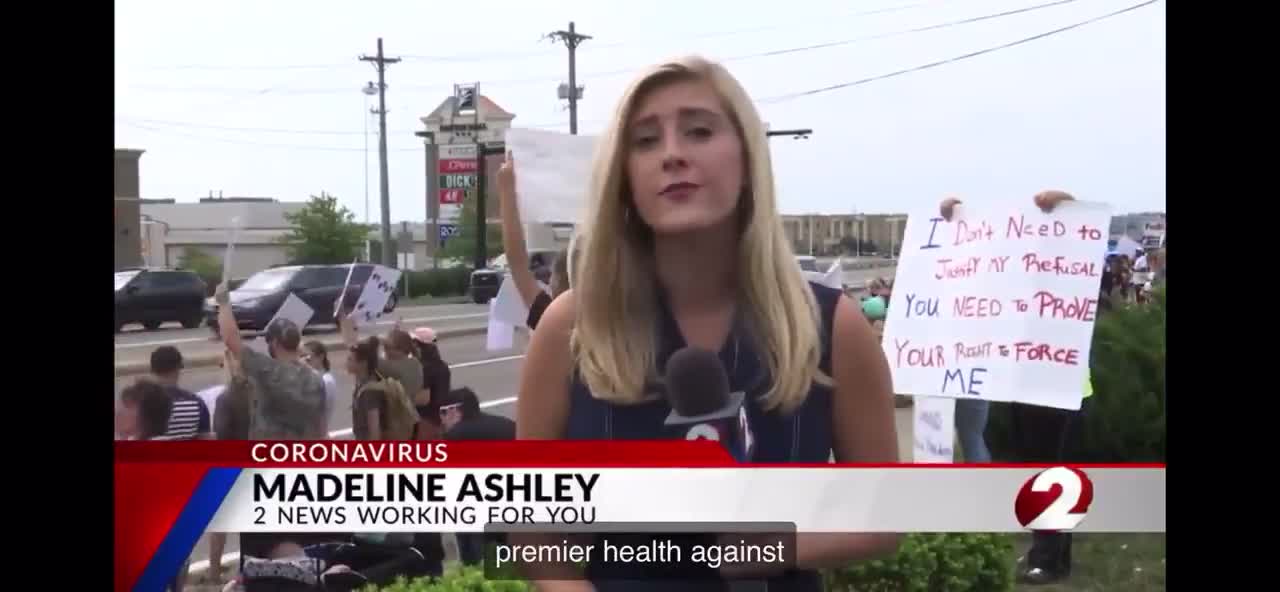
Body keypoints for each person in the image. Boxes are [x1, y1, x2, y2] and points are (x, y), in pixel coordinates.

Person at [515, 55, 900, 591]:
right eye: (646, 141)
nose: (673, 154)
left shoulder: (835, 328)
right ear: (624, 179)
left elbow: (883, 516)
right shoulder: (570, 328)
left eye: (698, 131)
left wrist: (775, 547)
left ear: (747, 156)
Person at [942, 190, 1081, 584]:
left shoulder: (1065, 276)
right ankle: (1049, 551)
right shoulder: (1011, 283)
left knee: (1053, 471)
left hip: (1061, 385)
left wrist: (1066, 206)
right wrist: (955, 222)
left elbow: (1079, 238)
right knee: (1038, 468)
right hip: (1022, 383)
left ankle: (1048, 557)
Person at [214, 282, 327, 440]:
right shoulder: (316, 380)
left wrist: (223, 302)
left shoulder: (269, 371)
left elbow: (230, 338)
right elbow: (321, 427)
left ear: (274, 344)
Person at [496, 152, 579, 330]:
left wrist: (506, 190)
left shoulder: (552, 318)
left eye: (552, 277)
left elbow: (516, 261)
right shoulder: (613, 322)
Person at [438, 387, 516, 566]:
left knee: (474, 559)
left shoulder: (455, 437)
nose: (441, 420)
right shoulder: (507, 425)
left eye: (442, 413)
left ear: (454, 410)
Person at [339, 315, 418, 441]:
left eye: (350, 360)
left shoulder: (370, 391)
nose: (346, 362)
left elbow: (374, 431)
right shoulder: (366, 381)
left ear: (363, 363)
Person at [149, 346, 214, 441]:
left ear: (152, 370)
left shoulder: (142, 404)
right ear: (179, 367)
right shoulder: (196, 403)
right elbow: (205, 438)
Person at [410, 327, 451, 440]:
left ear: (419, 346)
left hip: (425, 421)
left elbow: (423, 399)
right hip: (439, 418)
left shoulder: (424, 368)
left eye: (413, 343)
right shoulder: (442, 365)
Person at [302, 341, 339, 436]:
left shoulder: (326, 380)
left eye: (309, 357)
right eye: (302, 356)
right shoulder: (316, 378)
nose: (305, 361)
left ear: (321, 357)